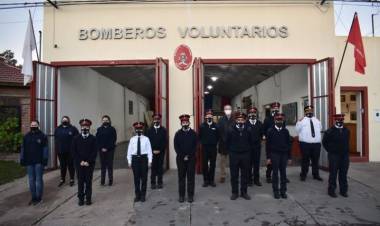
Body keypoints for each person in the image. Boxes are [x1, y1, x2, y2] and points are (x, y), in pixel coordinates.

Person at [20, 120, 48, 205]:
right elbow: (23, 148)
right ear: (30, 126)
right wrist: (22, 158)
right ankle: (33, 197)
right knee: (31, 180)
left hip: (39, 162)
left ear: (38, 126)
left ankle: (39, 198)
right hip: (29, 162)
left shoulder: (42, 136)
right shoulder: (26, 136)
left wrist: (45, 159)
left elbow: (45, 149)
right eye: (32, 125)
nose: (33, 126)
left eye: (35, 125)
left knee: (38, 180)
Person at [226, 112, 252, 200]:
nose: (240, 121)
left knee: (245, 175)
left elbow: (251, 142)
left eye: (242, 120)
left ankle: (244, 192)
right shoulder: (230, 129)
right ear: (235, 120)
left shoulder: (248, 129)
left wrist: (248, 152)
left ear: (244, 121)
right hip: (234, 155)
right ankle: (235, 192)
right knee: (234, 175)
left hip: (245, 155)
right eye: (238, 120)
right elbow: (227, 142)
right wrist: (231, 151)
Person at [322, 114, 350, 198]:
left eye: (341, 120)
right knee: (333, 173)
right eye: (338, 120)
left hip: (344, 156)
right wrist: (331, 150)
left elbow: (347, 141)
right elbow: (324, 143)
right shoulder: (330, 131)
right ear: (335, 121)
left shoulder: (346, 130)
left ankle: (343, 191)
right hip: (334, 156)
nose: (340, 122)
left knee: (343, 174)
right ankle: (331, 190)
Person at [71, 118, 97, 206]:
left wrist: (88, 161)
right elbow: (74, 152)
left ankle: (88, 198)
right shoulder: (76, 139)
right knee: (80, 181)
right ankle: (81, 199)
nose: (84, 128)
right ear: (80, 127)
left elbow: (94, 152)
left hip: (89, 164)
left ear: (89, 127)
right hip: (79, 164)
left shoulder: (93, 138)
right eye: (83, 126)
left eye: (86, 126)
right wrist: (80, 161)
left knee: (88, 181)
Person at [266, 113, 292, 199]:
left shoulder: (285, 131)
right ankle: (276, 191)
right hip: (274, 154)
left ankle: (283, 191)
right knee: (275, 173)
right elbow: (268, 145)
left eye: (281, 120)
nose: (279, 121)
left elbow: (289, 145)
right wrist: (268, 157)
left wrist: (289, 157)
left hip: (284, 154)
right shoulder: (270, 131)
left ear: (283, 120)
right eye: (278, 120)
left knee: (283, 173)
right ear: (275, 120)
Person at [174, 114, 197, 203]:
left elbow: (196, 146)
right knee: (181, 178)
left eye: (186, 122)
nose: (185, 123)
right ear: (181, 123)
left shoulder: (193, 133)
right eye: (183, 122)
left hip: (191, 159)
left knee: (191, 178)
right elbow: (176, 146)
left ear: (189, 122)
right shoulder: (178, 134)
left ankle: (190, 195)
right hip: (180, 159)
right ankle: (181, 196)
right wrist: (183, 156)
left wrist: (189, 156)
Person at [296, 105, 323, 181]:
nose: (309, 112)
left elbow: (320, 128)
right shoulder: (302, 120)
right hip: (305, 144)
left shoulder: (317, 120)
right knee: (305, 160)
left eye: (311, 111)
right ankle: (303, 175)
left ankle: (316, 175)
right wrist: (299, 121)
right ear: (305, 112)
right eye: (308, 111)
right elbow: (297, 130)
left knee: (315, 160)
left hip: (316, 144)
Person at [127, 122, 152, 202]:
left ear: (142, 129)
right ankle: (137, 195)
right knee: (136, 178)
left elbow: (149, 151)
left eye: (140, 128)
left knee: (144, 178)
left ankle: (143, 195)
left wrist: (150, 161)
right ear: (135, 129)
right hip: (135, 160)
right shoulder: (132, 139)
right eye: (137, 129)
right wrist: (129, 161)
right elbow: (129, 151)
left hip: (144, 159)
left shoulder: (146, 139)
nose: (138, 130)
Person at [54, 116, 79, 187]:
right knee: (62, 166)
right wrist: (57, 149)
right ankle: (62, 179)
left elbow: (77, 139)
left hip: (70, 152)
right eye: (63, 120)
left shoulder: (73, 129)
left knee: (71, 166)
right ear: (61, 121)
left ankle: (72, 179)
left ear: (68, 121)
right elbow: (56, 139)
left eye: (66, 120)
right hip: (61, 151)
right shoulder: (58, 129)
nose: (64, 121)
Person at [199, 109, 220, 187]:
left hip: (213, 148)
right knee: (204, 165)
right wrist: (202, 143)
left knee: (212, 164)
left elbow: (218, 136)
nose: (209, 116)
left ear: (212, 116)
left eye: (210, 115)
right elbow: (200, 136)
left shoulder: (216, 126)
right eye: (208, 115)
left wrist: (214, 142)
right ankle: (205, 180)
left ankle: (211, 180)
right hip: (205, 148)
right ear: (205, 116)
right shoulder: (202, 126)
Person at [146, 113, 167, 189]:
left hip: (161, 152)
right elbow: (147, 142)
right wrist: (152, 150)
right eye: (155, 119)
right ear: (153, 120)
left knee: (160, 167)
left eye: (158, 119)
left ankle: (160, 182)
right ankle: (153, 183)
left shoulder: (163, 130)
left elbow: (165, 141)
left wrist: (160, 150)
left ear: (160, 120)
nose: (156, 120)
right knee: (153, 168)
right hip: (152, 152)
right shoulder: (149, 130)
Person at [96, 115, 117, 186]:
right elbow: (97, 140)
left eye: (106, 120)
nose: (105, 121)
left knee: (110, 165)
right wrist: (101, 148)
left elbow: (114, 139)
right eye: (104, 120)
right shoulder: (99, 129)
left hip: (110, 150)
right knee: (103, 166)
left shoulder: (112, 129)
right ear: (102, 121)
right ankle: (102, 180)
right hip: (101, 150)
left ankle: (110, 180)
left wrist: (107, 148)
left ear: (109, 121)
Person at [262, 102, 280, 183]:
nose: (276, 109)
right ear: (272, 109)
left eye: (277, 108)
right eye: (274, 108)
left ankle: (280, 175)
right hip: (270, 142)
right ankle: (268, 176)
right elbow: (264, 130)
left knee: (280, 159)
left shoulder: (281, 117)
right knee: (270, 159)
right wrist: (265, 137)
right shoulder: (267, 118)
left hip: (279, 142)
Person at [246, 107, 263, 186]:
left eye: (254, 113)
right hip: (248, 148)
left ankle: (256, 180)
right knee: (249, 164)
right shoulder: (246, 123)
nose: (252, 114)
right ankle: (249, 180)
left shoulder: (259, 123)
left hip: (257, 147)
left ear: (256, 114)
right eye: (251, 113)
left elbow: (261, 135)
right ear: (248, 114)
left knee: (256, 164)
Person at [217, 105, 234, 183]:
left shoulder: (234, 119)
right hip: (223, 143)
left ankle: (234, 174)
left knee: (233, 161)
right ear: (224, 110)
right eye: (226, 109)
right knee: (223, 161)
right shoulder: (221, 120)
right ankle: (222, 176)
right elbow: (218, 131)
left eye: (229, 109)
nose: (228, 110)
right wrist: (222, 139)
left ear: (231, 110)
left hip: (232, 143)